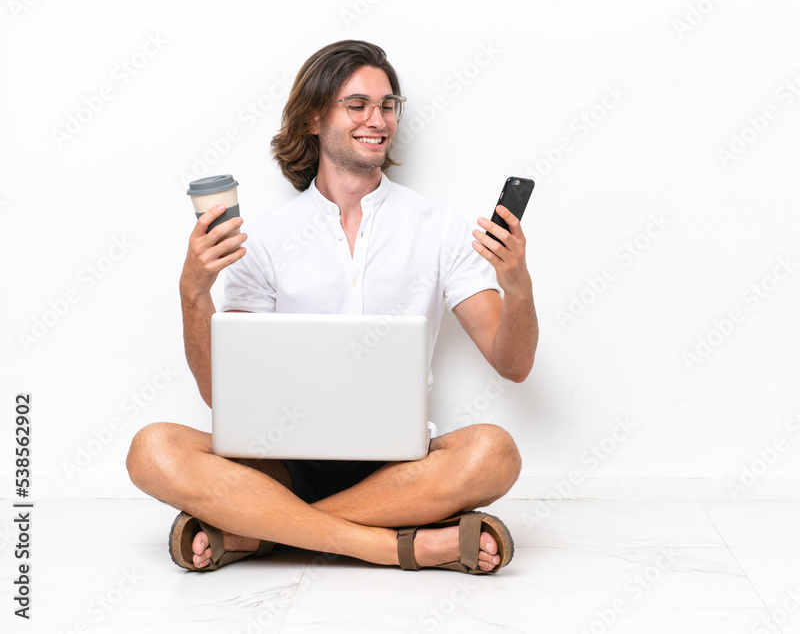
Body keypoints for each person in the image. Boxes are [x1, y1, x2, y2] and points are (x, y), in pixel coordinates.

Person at [126, 40, 537, 574]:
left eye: (388, 105)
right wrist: (193, 292)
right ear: (315, 117)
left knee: (494, 452)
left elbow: (514, 364)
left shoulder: (438, 228)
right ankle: (390, 546)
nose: (378, 119)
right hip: (280, 462)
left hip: (399, 467)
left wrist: (518, 285)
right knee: (151, 449)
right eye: (358, 104)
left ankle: (256, 530)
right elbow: (220, 396)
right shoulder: (266, 239)